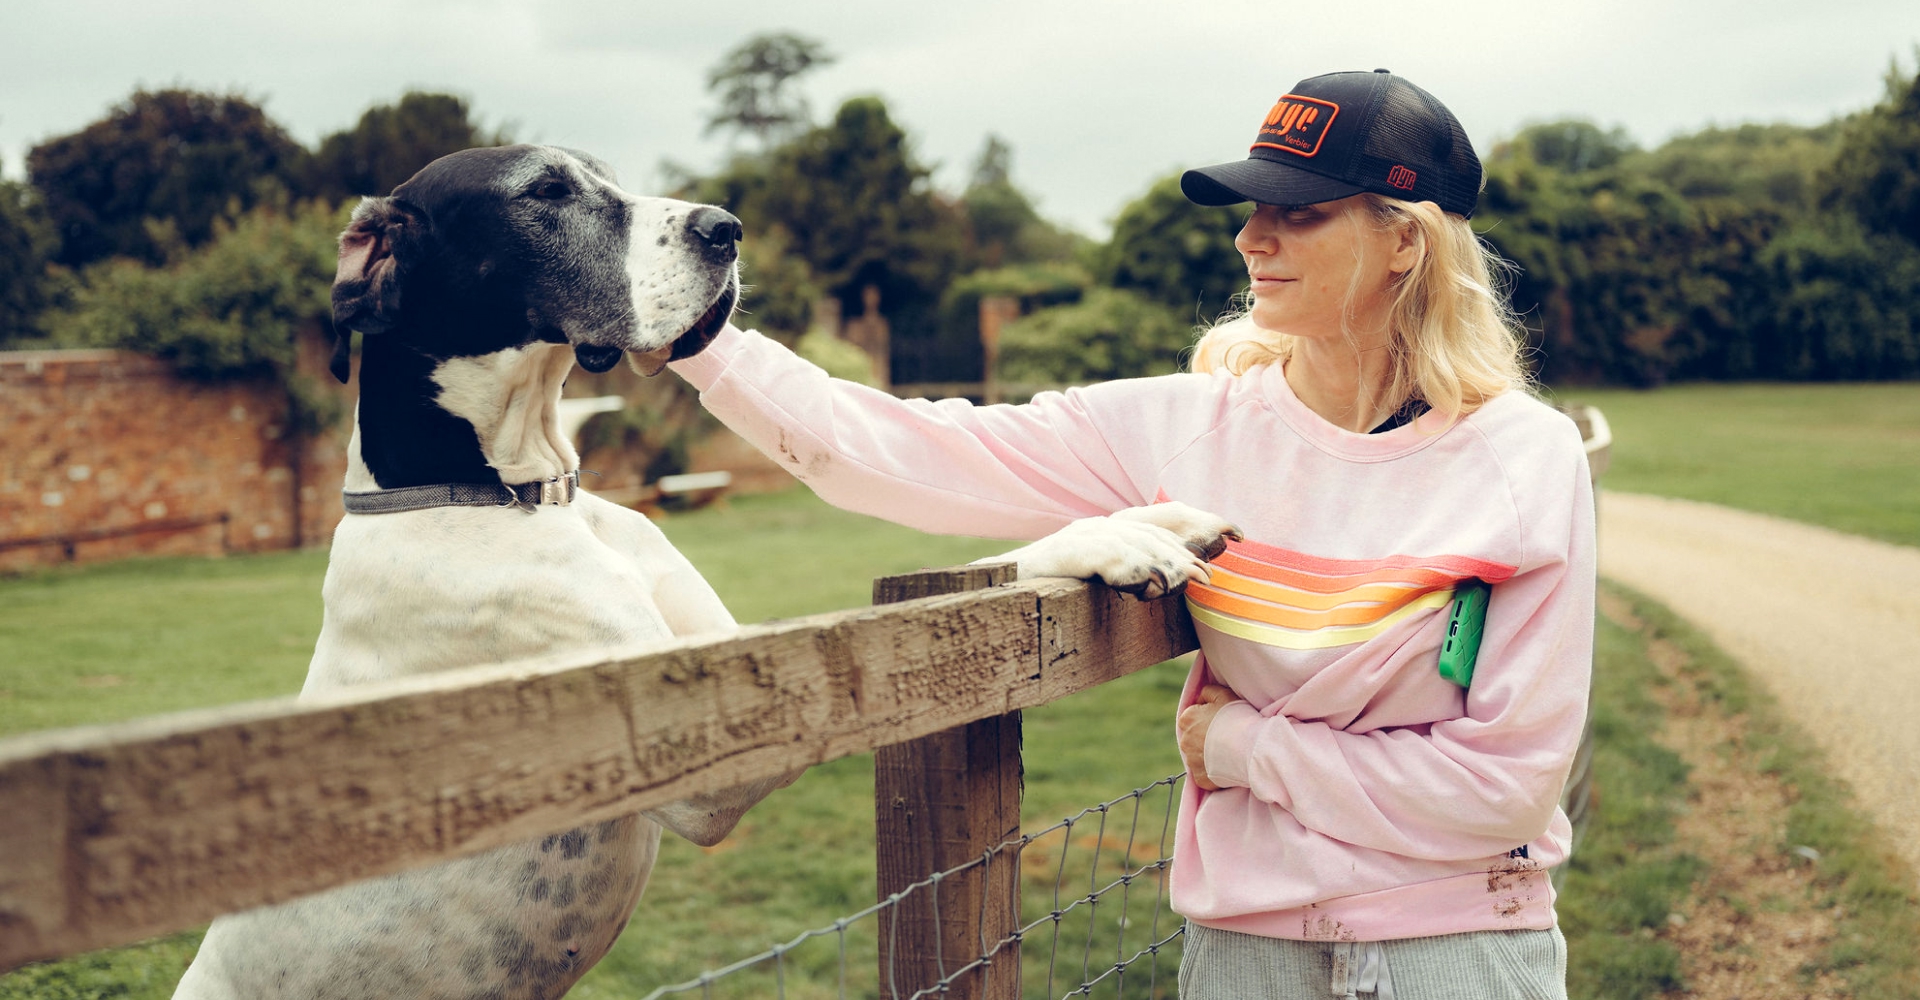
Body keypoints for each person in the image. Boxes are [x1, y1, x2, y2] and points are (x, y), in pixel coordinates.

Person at [669, 69, 1593, 999]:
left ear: (1405, 239)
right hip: (1245, 956)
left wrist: (1237, 749)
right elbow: (892, 451)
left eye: (1301, 213)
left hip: (1465, 948)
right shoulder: (1187, 428)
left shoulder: (1524, 459)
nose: (1250, 237)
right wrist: (699, 338)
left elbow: (1504, 795)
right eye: (1249, 207)